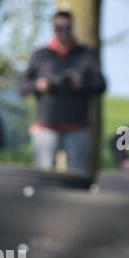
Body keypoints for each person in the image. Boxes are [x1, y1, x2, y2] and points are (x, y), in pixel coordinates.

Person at [21, 9, 106, 172]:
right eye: (58, 28)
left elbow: (101, 85)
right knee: (43, 173)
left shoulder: (87, 54)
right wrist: (38, 86)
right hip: (46, 125)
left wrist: (82, 84)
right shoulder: (41, 55)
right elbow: (23, 86)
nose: (63, 32)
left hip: (77, 126)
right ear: (53, 28)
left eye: (66, 28)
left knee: (77, 174)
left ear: (72, 27)